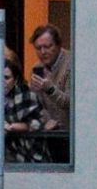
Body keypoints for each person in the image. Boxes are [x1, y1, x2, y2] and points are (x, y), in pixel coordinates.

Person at [27, 24, 72, 160]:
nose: (43, 52)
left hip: (71, 135)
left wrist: (50, 89)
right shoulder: (37, 68)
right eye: (38, 48)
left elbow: (71, 102)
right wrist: (46, 120)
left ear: (58, 45)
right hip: (50, 134)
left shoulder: (71, 64)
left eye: (47, 46)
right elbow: (35, 104)